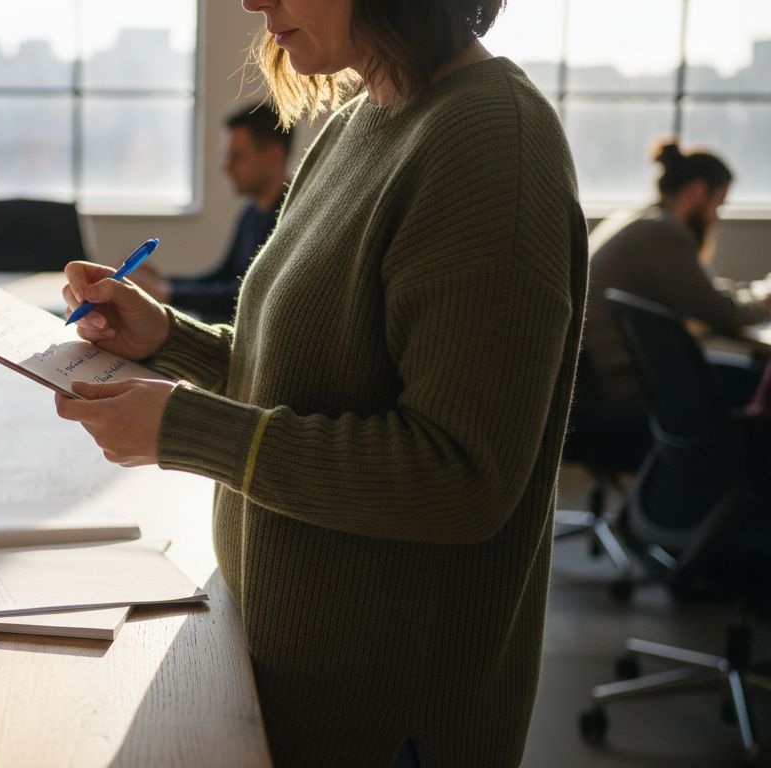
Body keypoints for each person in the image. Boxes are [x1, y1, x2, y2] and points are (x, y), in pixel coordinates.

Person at [54, 0, 587, 765]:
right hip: (283, 675)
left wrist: (185, 431)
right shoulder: (357, 118)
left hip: (380, 719)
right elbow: (311, 373)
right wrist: (166, 337)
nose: (252, 1)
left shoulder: (491, 145)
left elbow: (460, 477)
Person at [584, 142, 771, 427]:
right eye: (718, 204)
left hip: (606, 379)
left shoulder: (638, 220)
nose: (717, 220)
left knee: (745, 377)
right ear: (698, 191)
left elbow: (702, 291)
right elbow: (724, 313)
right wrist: (766, 301)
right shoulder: (662, 233)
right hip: (629, 387)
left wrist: (749, 293)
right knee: (758, 384)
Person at [128, 104, 291, 322]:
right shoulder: (252, 212)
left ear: (274, 156)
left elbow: (248, 294)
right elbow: (224, 276)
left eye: (238, 157)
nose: (227, 168)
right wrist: (164, 283)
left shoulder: (291, 219)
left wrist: (169, 292)